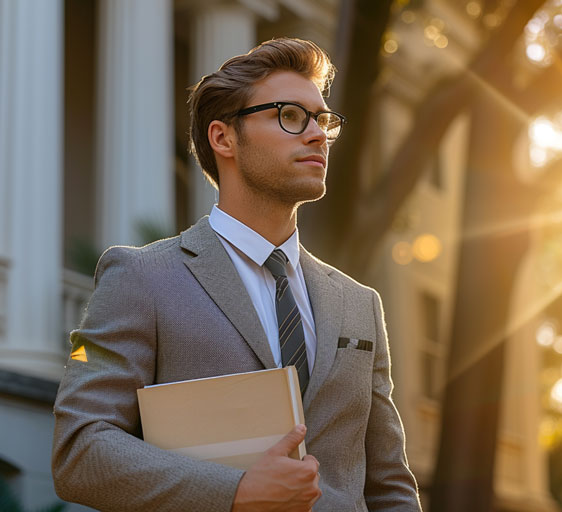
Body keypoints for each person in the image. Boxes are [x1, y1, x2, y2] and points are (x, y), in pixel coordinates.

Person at [52, 37, 420, 512]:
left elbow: (388, 483)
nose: (316, 135)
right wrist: (235, 492)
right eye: (290, 115)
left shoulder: (359, 303)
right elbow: (80, 448)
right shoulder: (140, 277)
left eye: (323, 120)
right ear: (223, 137)